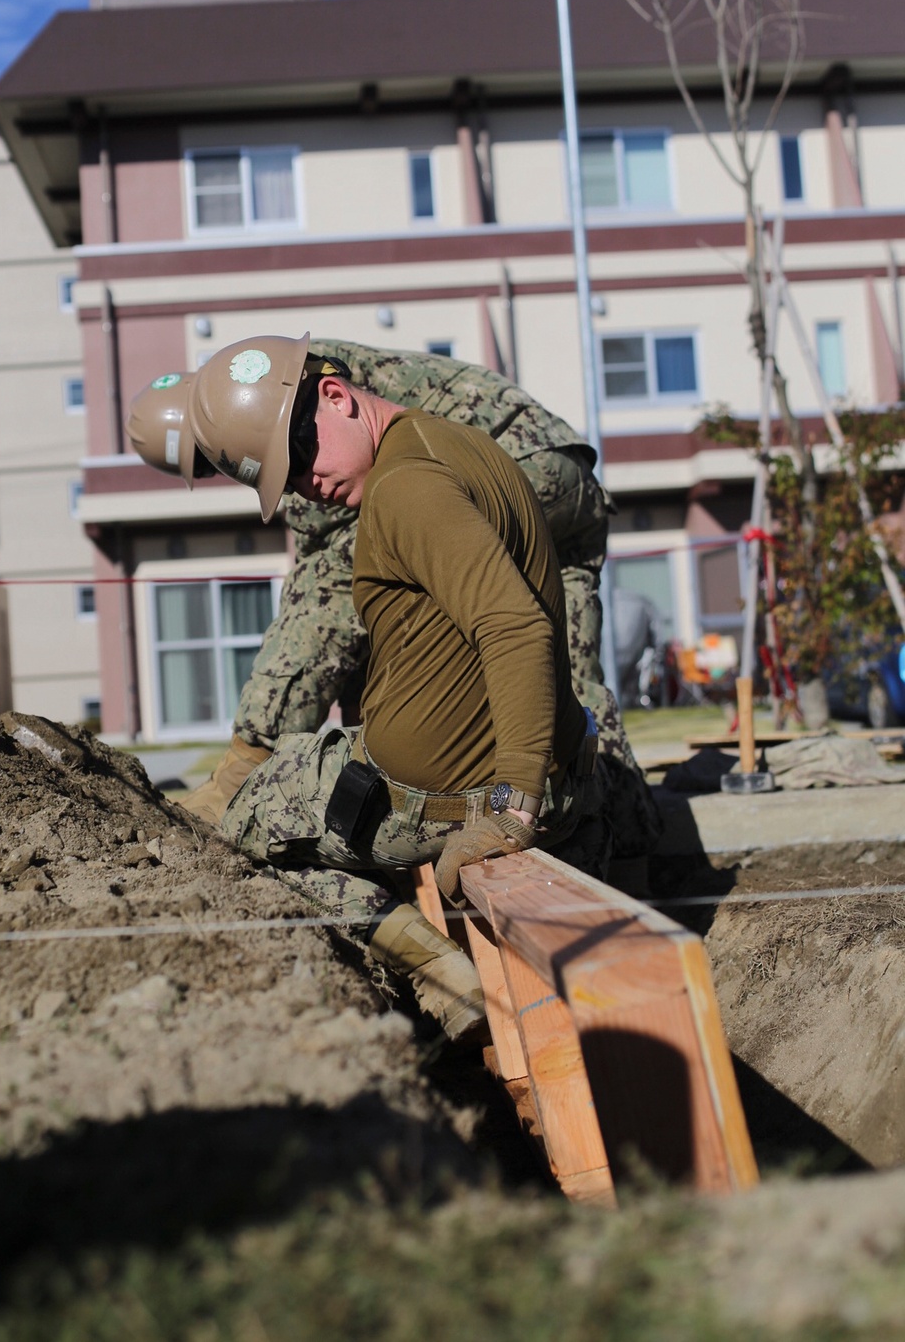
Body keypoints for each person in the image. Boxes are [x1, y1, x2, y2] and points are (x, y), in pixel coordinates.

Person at [178, 332, 609, 1040]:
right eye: (288, 481)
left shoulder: (405, 488)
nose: (308, 484)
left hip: (445, 802)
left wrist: (509, 808)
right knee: (301, 776)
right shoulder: (459, 447)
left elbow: (516, 628)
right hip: (507, 777)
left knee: (245, 827)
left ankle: (443, 980)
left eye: (304, 456)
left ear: (338, 397)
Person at [126, 339, 658, 879]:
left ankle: (250, 768)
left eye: (210, 457)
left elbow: (321, 604)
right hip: (556, 466)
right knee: (566, 681)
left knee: (351, 586)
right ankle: (630, 838)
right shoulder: (292, 406)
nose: (296, 483)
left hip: (506, 459)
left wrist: (253, 753)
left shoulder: (279, 397)